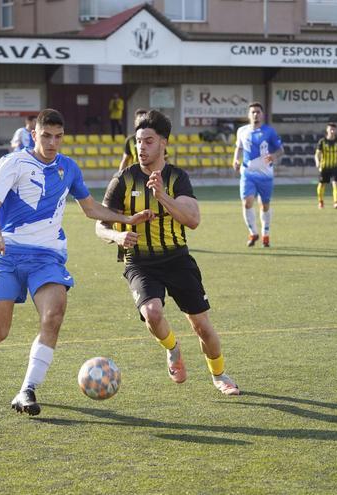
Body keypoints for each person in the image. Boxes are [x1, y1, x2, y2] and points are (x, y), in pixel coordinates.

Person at [0, 108, 154, 416]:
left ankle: (27, 390)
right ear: (34, 134)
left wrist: (124, 218)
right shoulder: (14, 163)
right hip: (8, 254)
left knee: (53, 315)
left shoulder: (69, 168)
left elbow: (90, 208)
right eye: (46, 136)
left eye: (58, 137)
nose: (53, 143)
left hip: (47, 257)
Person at [96, 109, 241, 396]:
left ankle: (219, 375)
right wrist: (117, 234)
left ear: (163, 143)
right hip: (140, 263)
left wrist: (162, 195)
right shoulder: (122, 180)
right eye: (138, 141)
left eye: (148, 141)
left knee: (202, 326)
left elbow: (193, 220)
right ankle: (172, 348)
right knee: (152, 312)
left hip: (177, 259)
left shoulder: (177, 178)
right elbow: (100, 225)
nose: (141, 147)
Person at [232, 102, 284, 248]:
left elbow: (281, 150)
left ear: (262, 114)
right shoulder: (242, 131)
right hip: (247, 173)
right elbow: (239, 147)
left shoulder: (269, 131)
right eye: (253, 112)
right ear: (249, 115)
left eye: (258, 112)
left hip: (265, 174)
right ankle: (253, 232)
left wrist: (274, 156)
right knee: (247, 202)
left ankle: (265, 233)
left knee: (264, 205)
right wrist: (235, 159)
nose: (255, 114)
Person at [314, 122, 337, 209]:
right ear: (327, 130)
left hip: (335, 167)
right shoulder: (322, 141)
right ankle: (321, 202)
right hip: (324, 167)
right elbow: (317, 154)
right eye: (330, 129)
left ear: (336, 130)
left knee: (336, 184)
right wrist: (317, 161)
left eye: (334, 129)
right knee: (322, 185)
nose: (332, 131)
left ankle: (336, 202)